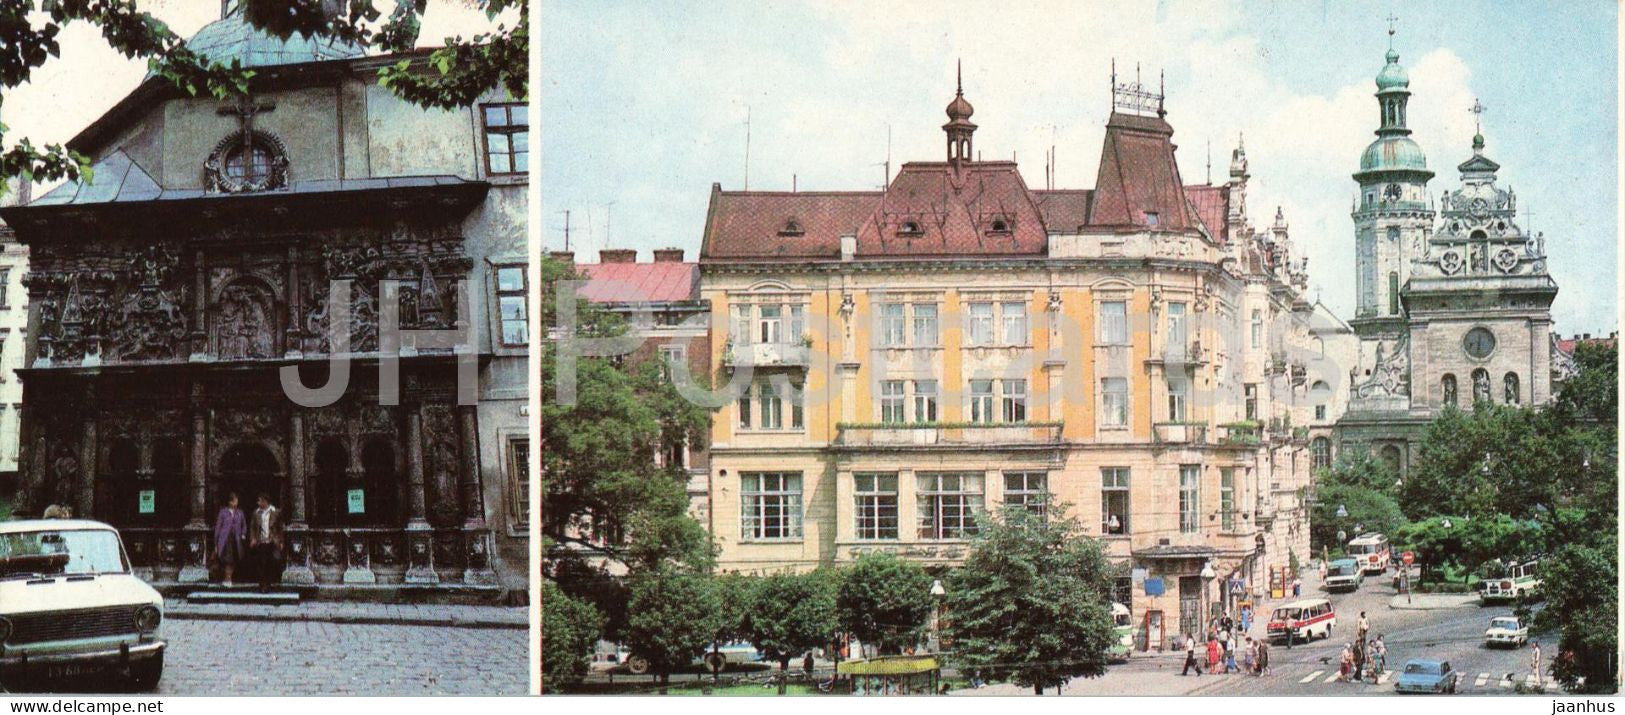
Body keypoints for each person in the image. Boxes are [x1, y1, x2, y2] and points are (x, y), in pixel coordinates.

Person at [248, 492, 283, 592]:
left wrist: (281, 541)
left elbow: (280, 528)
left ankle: (269, 583)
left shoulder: (275, 511)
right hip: (261, 542)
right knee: (261, 563)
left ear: (265, 501)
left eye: (259, 500)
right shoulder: (256, 513)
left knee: (271, 562)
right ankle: (263, 584)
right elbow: (252, 527)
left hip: (272, 541)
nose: (258, 502)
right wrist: (253, 538)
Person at [212, 492, 247, 588]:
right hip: (225, 540)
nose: (236, 504)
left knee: (234, 559)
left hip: (236, 540)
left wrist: (243, 534)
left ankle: (229, 578)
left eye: (237, 501)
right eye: (234, 501)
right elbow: (218, 527)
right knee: (228, 560)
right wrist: (216, 542)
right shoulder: (223, 512)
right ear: (230, 502)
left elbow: (244, 525)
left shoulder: (240, 513)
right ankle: (227, 579)